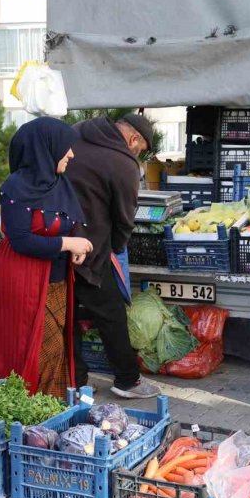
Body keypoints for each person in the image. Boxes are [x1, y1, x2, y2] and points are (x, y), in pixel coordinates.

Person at [0, 118, 93, 397]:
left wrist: (75, 248)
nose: (71, 154)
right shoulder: (15, 188)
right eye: (65, 147)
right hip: (23, 278)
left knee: (56, 343)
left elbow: (71, 218)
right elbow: (21, 239)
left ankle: (51, 408)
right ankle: (31, 411)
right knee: (34, 345)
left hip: (56, 278)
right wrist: (67, 243)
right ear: (45, 148)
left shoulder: (60, 184)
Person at [66, 113, 161, 399]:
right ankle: (127, 380)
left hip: (56, 239)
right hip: (92, 245)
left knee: (66, 313)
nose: (138, 154)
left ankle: (75, 378)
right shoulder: (123, 162)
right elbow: (124, 217)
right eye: (140, 149)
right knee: (111, 313)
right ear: (133, 139)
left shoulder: (77, 131)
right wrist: (116, 248)